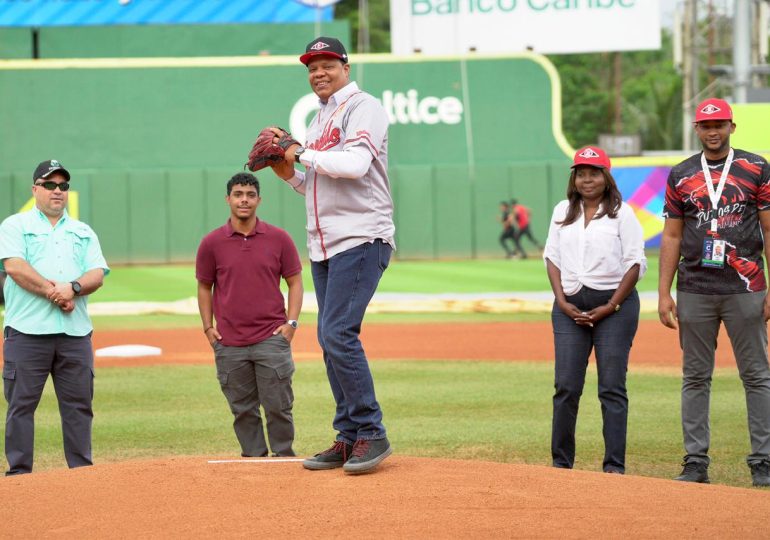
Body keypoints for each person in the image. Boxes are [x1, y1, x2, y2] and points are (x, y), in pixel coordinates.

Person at [267, 36, 395, 474]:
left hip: (361, 236)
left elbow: (356, 165)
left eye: (326, 64)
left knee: (339, 333)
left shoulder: (365, 107)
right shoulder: (321, 118)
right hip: (326, 244)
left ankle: (372, 433)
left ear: (345, 65)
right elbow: (320, 184)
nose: (318, 72)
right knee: (329, 338)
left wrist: (301, 153)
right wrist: (290, 175)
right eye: (311, 66)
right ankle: (349, 436)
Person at [659, 98, 770, 487]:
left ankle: (763, 462)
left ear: (731, 128)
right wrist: (664, 292)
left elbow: (769, 229)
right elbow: (672, 235)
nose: (713, 131)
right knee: (695, 377)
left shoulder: (756, 167)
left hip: (746, 287)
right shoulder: (680, 174)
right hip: (694, 288)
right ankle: (695, 461)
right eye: (706, 125)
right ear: (696, 129)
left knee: (757, 375)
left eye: (720, 124)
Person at [0, 159, 109, 475]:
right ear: (35, 189)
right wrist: (55, 292)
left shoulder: (82, 230)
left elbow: (97, 273)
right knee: (21, 407)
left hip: (74, 334)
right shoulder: (15, 225)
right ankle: (20, 474)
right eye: (49, 184)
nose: (57, 191)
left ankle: (81, 472)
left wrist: (73, 288)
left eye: (62, 185)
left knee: (78, 408)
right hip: (26, 333)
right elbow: (14, 267)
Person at [543, 146, 646, 475]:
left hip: (614, 309)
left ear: (606, 176)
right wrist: (561, 301)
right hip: (569, 307)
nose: (587, 179)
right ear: (574, 177)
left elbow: (634, 264)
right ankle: (561, 464)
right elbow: (552, 258)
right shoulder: (562, 210)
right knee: (566, 387)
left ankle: (614, 467)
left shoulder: (622, 213)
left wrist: (611, 305)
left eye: (594, 172)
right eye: (581, 173)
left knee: (612, 387)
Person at [196, 172, 303, 458]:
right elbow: (204, 287)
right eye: (238, 194)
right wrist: (208, 328)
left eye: (250, 195)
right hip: (229, 342)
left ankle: (283, 457)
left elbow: (295, 282)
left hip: (271, 338)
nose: (244, 200)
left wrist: (291, 323)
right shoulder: (211, 243)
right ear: (228, 199)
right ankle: (253, 461)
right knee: (242, 409)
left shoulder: (279, 239)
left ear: (259, 200)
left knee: (278, 406)